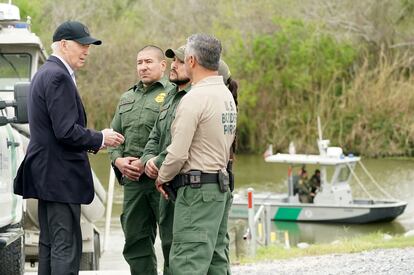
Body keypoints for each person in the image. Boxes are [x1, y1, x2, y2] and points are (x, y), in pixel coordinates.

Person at [13, 20, 124, 275]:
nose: (87, 50)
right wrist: (100, 138)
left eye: (89, 46)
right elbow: (65, 131)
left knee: (50, 245)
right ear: (63, 44)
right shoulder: (58, 77)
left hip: (46, 175)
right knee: (66, 247)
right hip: (60, 177)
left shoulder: (44, 73)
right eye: (82, 45)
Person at [155, 33, 237, 274]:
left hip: (197, 193)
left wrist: (162, 176)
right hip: (220, 189)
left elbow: (178, 153)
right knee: (215, 262)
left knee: (187, 263)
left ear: (191, 60)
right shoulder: (226, 96)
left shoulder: (194, 98)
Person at [108, 45, 175, 275]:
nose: (143, 67)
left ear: (162, 65)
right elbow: (114, 138)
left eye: (148, 62)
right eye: (139, 63)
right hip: (133, 183)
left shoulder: (174, 94)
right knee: (135, 241)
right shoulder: (127, 97)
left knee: (171, 241)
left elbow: (176, 138)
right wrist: (118, 161)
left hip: (163, 180)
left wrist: (152, 162)